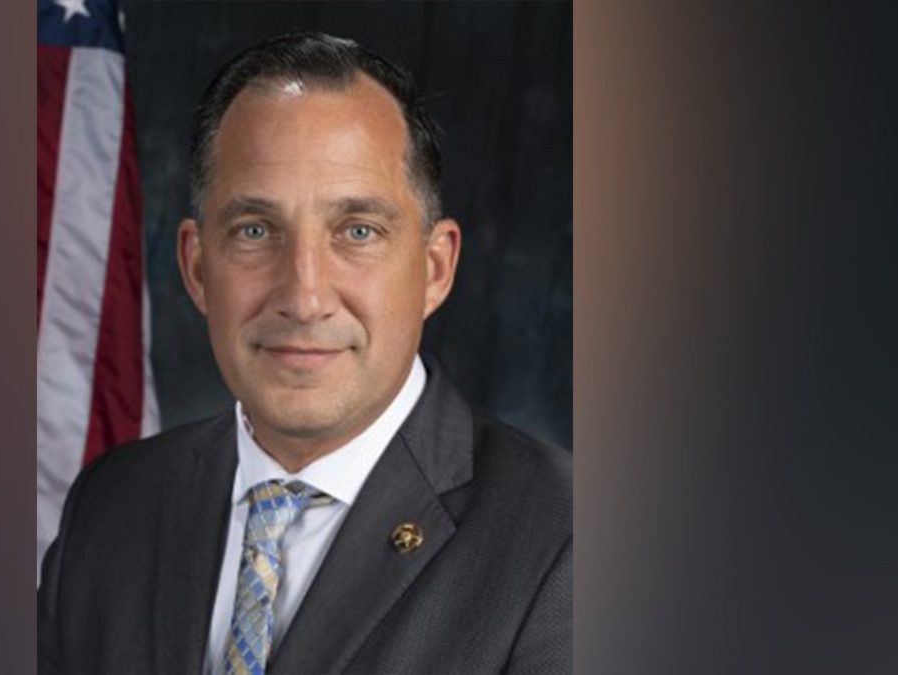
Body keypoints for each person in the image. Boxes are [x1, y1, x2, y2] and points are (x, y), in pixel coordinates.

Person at [38, 31, 571, 674]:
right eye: (255, 230)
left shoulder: (567, 541)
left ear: (434, 269)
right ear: (197, 267)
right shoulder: (111, 504)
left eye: (358, 231)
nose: (305, 296)